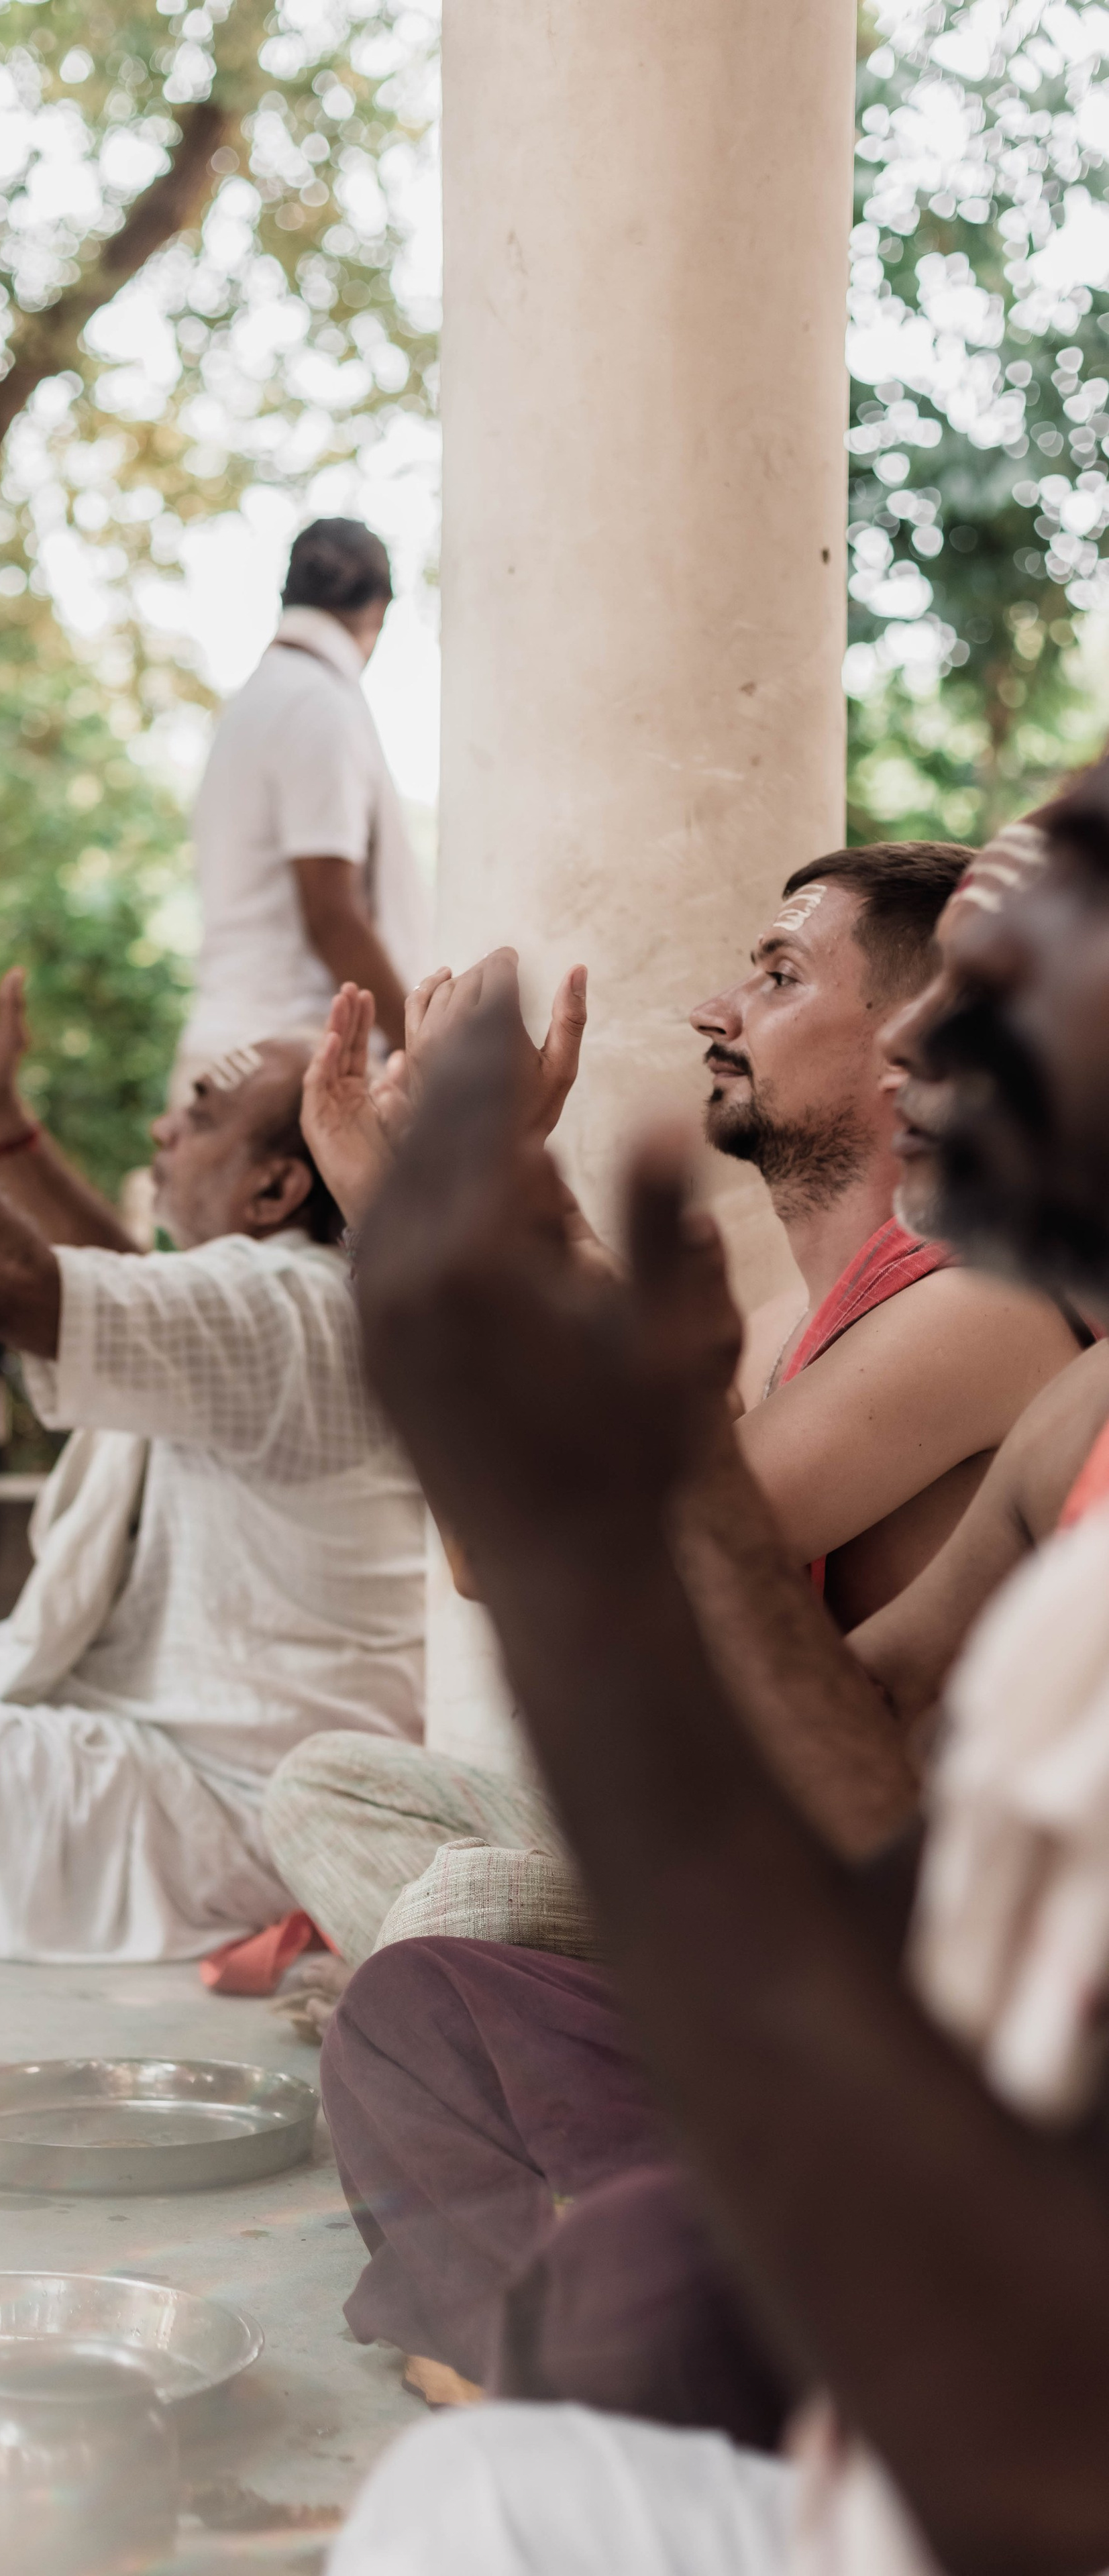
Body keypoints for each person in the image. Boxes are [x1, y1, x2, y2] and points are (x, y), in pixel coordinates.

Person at [327, 759, 1109, 2576]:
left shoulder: (994, 1323)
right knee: (445, 2020)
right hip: (947, 2102)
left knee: (626, 2297)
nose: (924, 1043)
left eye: (997, 977)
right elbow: (875, 1777)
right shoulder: (1074, 1402)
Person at [266, 845, 1085, 1968]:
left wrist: (426, 1209)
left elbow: (541, 1549)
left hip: (884, 1919)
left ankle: (553, 2035)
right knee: (326, 1789)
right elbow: (609, 1389)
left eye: (781, 975)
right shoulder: (797, 1329)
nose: (718, 1009)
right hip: (753, 1855)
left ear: (916, 1043)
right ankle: (533, 2024)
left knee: (463, 1915)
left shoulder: (975, 1310)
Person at [0, 918, 425, 1962]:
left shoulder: (279, 1307)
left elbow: (12, 1290)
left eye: (200, 1116)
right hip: (253, 1801)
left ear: (276, 1190)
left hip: (237, 1821)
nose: (163, 1132)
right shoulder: (293, 1304)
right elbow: (132, 1309)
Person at [173, 517, 433, 1093]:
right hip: (282, 1070)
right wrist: (423, 1060)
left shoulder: (255, 702)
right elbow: (331, 913)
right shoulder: (317, 704)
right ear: (379, 611)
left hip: (234, 1050)